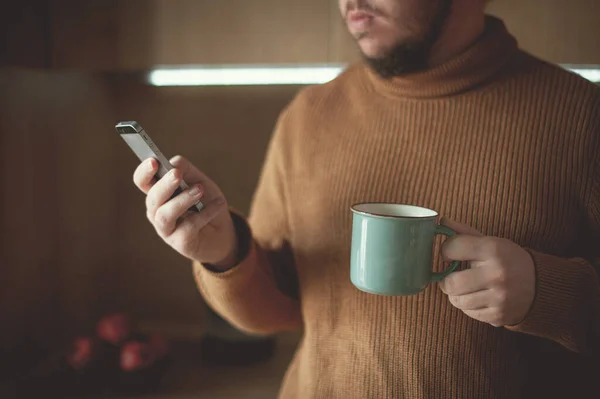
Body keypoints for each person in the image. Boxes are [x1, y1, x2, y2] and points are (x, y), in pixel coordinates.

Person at [133, 0, 600, 397]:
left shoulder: (583, 117)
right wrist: (225, 253)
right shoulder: (308, 117)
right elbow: (281, 310)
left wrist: (549, 294)